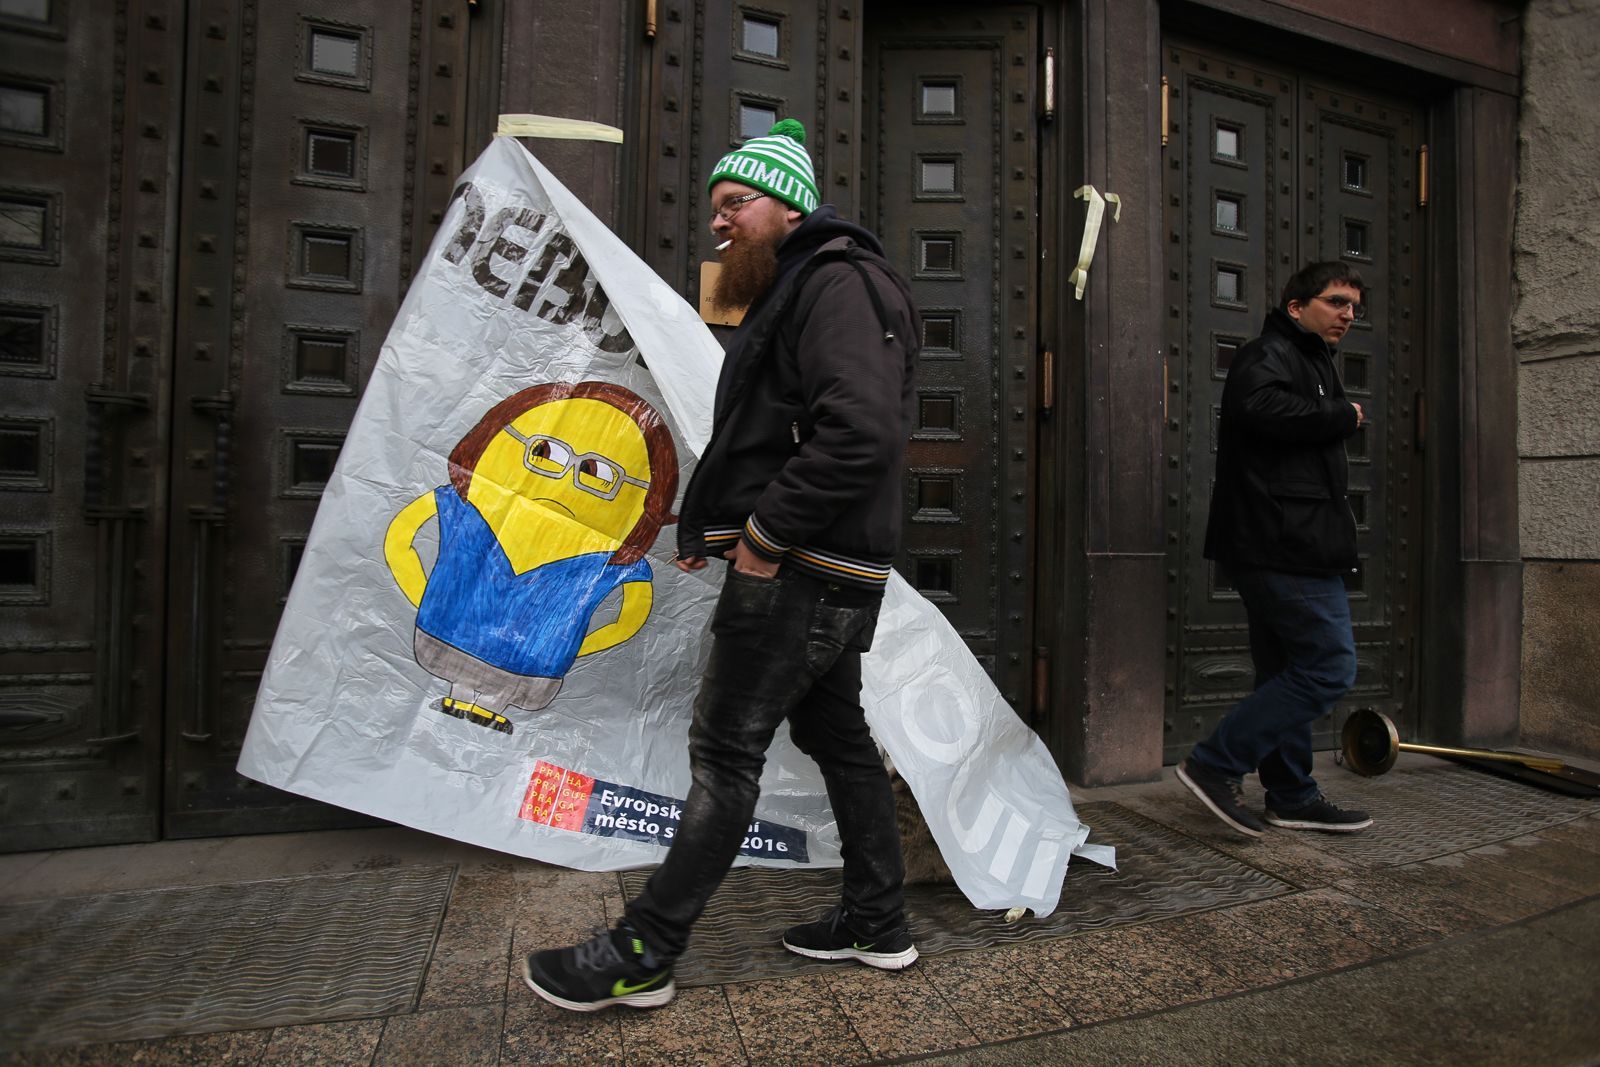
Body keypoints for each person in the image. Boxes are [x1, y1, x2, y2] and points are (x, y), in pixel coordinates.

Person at [522, 119, 922, 1012]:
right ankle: (877, 920)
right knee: (837, 737)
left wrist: (766, 539)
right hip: (828, 565)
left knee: (724, 753)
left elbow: (859, 431)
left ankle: (645, 951)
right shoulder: (808, 286)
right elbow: (774, 428)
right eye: (714, 211)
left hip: (801, 567)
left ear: (788, 206)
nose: (719, 225)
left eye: (734, 204)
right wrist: (714, 523)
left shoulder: (836, 284)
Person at [1176, 261, 1374, 837]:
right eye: (1336, 302)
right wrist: (1341, 415)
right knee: (1329, 665)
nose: (1347, 315)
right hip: (1283, 545)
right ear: (1296, 307)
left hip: (1288, 540)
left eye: (1353, 308)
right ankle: (1214, 764)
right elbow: (1256, 408)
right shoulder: (1268, 353)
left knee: (1285, 669)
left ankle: (1289, 794)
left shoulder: (1311, 359)